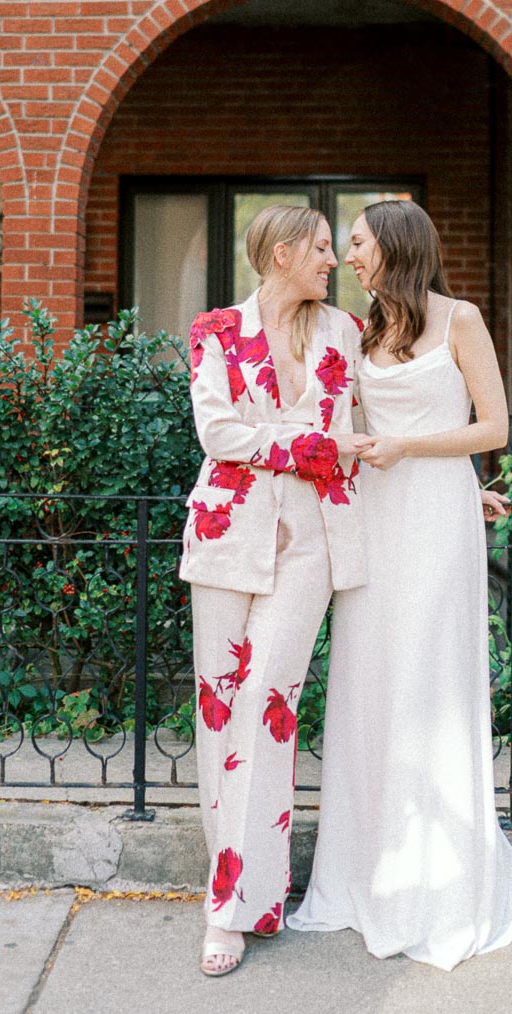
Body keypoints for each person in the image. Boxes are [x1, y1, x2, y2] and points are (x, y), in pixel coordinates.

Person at [288, 199, 512, 969]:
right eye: (342, 246)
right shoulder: (365, 329)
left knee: (428, 682)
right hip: (377, 520)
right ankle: (369, 874)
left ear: (396, 247)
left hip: (436, 524)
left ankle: (440, 884)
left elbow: (493, 427)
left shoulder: (461, 321)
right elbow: (351, 426)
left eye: (356, 243)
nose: (347, 255)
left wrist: (420, 455)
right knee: (368, 684)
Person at [180, 204, 367, 976]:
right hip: (228, 536)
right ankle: (233, 893)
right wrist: (315, 446)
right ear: (284, 253)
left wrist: (461, 489)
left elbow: (377, 429)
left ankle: (236, 907)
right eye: (323, 249)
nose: (334, 262)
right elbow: (218, 433)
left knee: (268, 706)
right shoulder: (216, 331)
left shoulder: (345, 335)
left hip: (315, 546)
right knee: (220, 710)